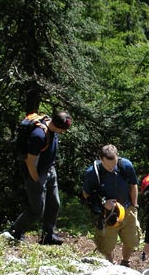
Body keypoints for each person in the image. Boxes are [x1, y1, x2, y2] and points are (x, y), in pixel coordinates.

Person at [9, 110, 72, 244]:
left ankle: (48, 235)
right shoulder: (38, 136)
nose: (63, 132)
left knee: (54, 203)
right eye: (63, 130)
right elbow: (30, 161)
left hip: (50, 169)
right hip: (36, 173)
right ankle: (15, 231)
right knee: (37, 209)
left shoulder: (51, 127)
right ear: (57, 126)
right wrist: (36, 180)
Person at [82, 144, 141, 266]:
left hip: (127, 207)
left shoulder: (125, 166)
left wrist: (134, 205)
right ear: (100, 159)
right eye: (107, 165)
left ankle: (125, 262)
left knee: (132, 239)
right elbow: (86, 194)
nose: (111, 168)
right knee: (106, 243)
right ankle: (110, 262)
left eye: (113, 165)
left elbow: (133, 185)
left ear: (117, 157)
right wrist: (103, 203)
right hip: (107, 213)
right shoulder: (92, 173)